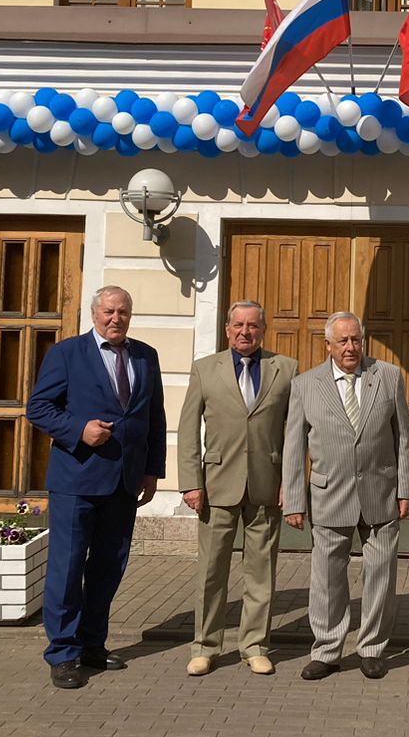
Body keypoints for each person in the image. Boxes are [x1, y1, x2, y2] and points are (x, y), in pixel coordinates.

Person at [27, 286, 167, 690]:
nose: (115, 318)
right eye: (109, 311)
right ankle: (63, 653)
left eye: (123, 312)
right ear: (94, 314)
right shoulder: (67, 354)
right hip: (77, 481)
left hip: (124, 483)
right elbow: (38, 407)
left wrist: (152, 470)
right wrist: (79, 429)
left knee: (108, 568)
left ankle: (92, 644)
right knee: (68, 568)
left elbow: (153, 417)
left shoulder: (146, 356)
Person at [282, 311, 409, 681]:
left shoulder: (387, 376)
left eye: (356, 339)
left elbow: (403, 437)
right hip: (329, 494)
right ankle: (327, 651)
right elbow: (294, 447)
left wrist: (406, 489)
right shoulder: (305, 385)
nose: (351, 347)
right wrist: (294, 500)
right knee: (327, 579)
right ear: (328, 345)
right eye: (343, 341)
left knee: (380, 576)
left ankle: (371, 649)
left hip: (380, 492)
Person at [177, 300, 298, 677]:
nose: (246, 332)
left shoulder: (286, 369)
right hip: (216, 486)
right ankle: (205, 646)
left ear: (263, 330)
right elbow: (187, 430)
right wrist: (190, 483)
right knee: (211, 571)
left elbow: (296, 433)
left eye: (253, 325)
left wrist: (291, 483)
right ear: (227, 329)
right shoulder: (204, 369)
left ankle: (255, 645)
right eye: (239, 325)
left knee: (261, 571)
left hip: (267, 484)